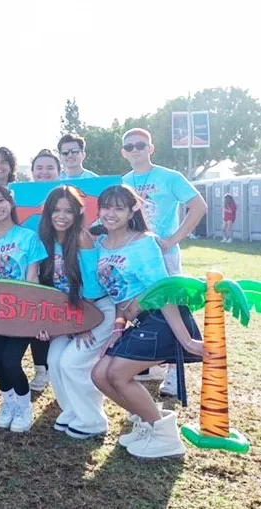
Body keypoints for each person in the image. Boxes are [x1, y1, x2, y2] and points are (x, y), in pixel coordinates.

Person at [90, 185, 205, 459]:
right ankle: (147, 420)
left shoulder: (144, 242)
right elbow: (117, 291)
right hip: (137, 322)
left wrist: (186, 339)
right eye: (106, 206)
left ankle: (166, 440)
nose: (111, 213)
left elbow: (163, 293)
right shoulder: (101, 245)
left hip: (159, 318)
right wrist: (118, 327)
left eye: (119, 207)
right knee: (99, 375)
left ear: (132, 211)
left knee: (117, 374)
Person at [119, 128, 207, 396]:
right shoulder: (123, 181)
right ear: (124, 152)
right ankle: (151, 363)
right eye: (130, 146)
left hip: (164, 254)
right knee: (142, 307)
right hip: (135, 256)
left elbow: (199, 206)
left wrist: (172, 239)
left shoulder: (169, 177)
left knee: (174, 309)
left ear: (150, 148)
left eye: (140, 145)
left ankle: (176, 371)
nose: (136, 150)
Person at [38, 186, 115, 439]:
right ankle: (73, 411)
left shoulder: (82, 237)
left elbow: (92, 288)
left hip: (96, 311)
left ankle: (93, 420)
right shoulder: (45, 241)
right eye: (56, 210)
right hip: (67, 314)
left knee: (73, 363)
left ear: (77, 214)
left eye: (68, 211)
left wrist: (82, 324)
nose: (62, 216)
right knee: (54, 361)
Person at [0, 185, 47, 433]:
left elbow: (33, 277)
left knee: (11, 361)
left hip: (22, 313)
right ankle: (9, 403)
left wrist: (36, 317)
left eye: (0, 201)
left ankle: (25, 407)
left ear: (11, 202)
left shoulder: (28, 237)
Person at [23, 149, 65, 391]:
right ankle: (41, 369)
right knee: (36, 314)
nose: (44, 171)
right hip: (37, 263)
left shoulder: (69, 196)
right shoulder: (22, 196)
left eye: (50, 167)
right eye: (39, 167)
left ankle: (64, 367)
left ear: (59, 172)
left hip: (67, 264)